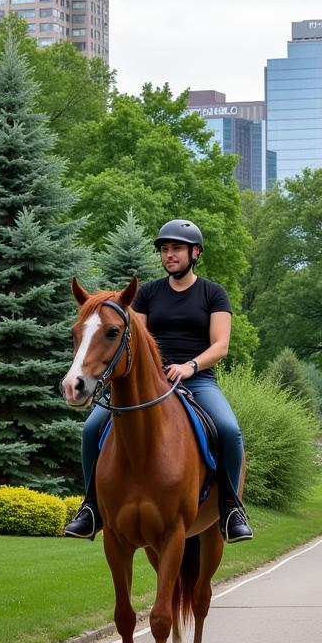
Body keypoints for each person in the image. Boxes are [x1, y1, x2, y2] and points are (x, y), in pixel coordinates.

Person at [64, 218, 253, 544]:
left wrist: (190, 366)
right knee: (92, 427)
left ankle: (232, 509)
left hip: (198, 381)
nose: (169, 255)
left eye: (176, 249)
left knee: (229, 430)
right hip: (154, 382)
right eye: (165, 249)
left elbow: (221, 345)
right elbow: (132, 340)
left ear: (195, 253)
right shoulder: (149, 293)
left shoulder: (213, 294)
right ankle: (91, 507)